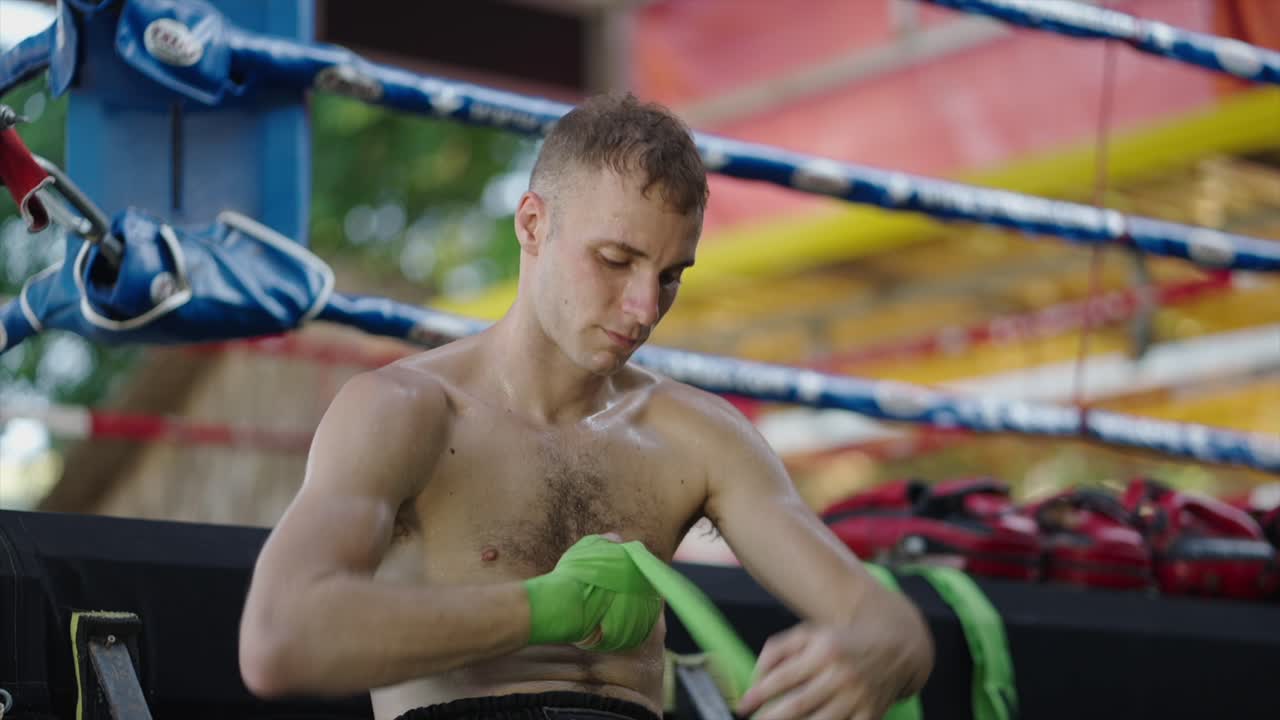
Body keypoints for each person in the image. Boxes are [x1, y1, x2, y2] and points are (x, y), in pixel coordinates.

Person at [238, 92, 933, 720]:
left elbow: (886, 625)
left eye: (669, 276)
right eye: (615, 259)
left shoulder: (696, 436)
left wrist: (876, 650)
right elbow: (281, 638)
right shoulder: (404, 411)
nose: (644, 308)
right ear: (534, 225)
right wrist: (547, 610)